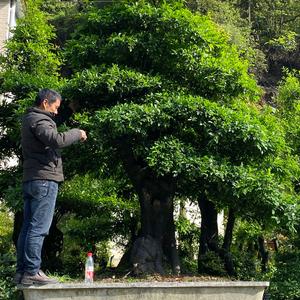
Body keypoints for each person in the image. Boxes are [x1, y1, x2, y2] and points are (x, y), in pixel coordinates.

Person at [15, 88, 87, 285]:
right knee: (38, 228)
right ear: (45, 103)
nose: (56, 112)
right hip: (44, 180)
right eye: (55, 107)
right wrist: (77, 133)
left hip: (31, 179)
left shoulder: (29, 119)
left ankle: (22, 272)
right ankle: (32, 271)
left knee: (28, 227)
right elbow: (56, 140)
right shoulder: (40, 120)